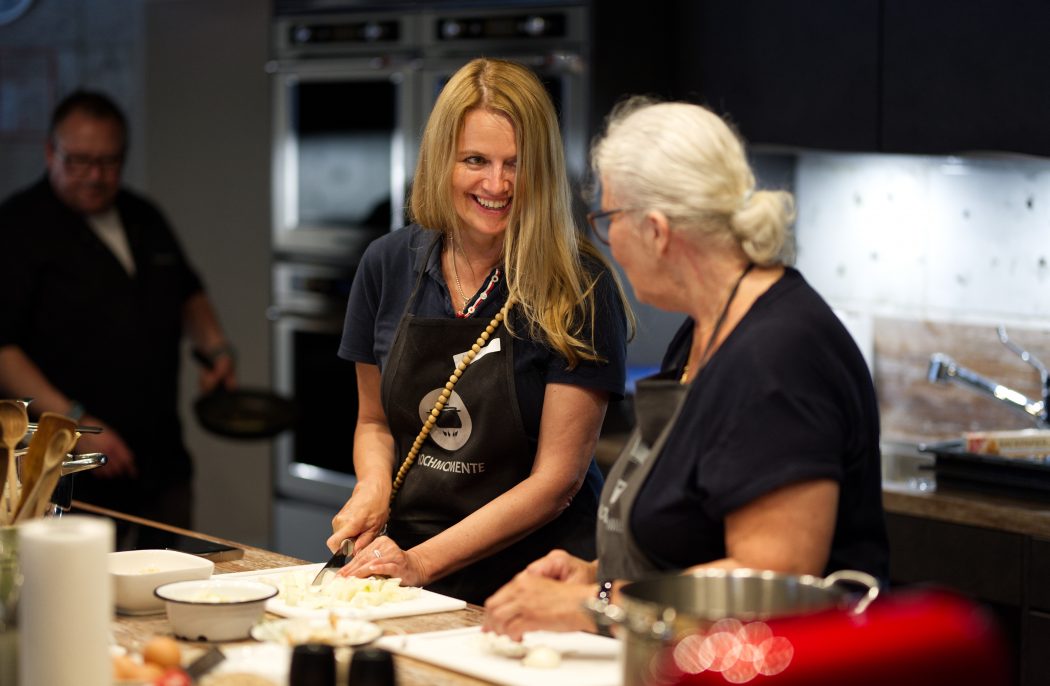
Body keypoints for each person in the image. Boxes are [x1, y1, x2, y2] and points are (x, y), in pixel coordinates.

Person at [483, 97, 889, 638]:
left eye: (607, 219)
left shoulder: (781, 358)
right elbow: (688, 538)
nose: (607, 242)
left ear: (656, 230)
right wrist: (596, 576)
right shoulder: (705, 329)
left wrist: (591, 605)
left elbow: (769, 582)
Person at [327, 58, 632, 605]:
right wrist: (372, 488)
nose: (497, 184)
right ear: (442, 160)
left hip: (539, 580)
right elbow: (373, 422)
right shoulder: (387, 263)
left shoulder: (580, 287)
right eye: (475, 160)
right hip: (410, 571)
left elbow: (555, 483)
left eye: (516, 164)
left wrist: (419, 562)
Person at [0, 90, 235, 528]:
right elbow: (4, 350)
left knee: (166, 581)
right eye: (79, 161)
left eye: (108, 162)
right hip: (63, 467)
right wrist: (75, 425)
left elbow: (189, 292)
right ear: (51, 152)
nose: (94, 175)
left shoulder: (143, 215)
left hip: (159, 457)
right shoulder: (16, 227)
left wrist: (217, 350)